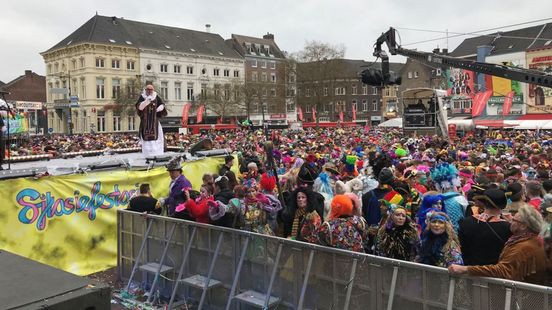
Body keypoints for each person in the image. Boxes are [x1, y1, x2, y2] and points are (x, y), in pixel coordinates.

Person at [449, 206, 547, 285]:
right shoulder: (532, 239)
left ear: (523, 226)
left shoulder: (523, 247)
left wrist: (466, 269)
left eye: (514, 220)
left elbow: (502, 271)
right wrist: (514, 222)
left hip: (522, 297)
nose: (510, 221)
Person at [458, 189, 512, 266]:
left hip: (470, 269)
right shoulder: (508, 227)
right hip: (495, 271)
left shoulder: (466, 222)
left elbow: (462, 247)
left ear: (484, 203)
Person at [136, 84, 167, 157]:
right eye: (148, 89)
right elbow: (139, 108)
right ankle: (148, 154)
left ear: (153, 90)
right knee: (146, 139)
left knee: (158, 136)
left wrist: (159, 108)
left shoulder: (156, 96)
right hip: (145, 122)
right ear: (145, 90)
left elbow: (162, 104)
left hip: (154, 122)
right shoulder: (142, 97)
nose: (149, 91)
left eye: (151, 90)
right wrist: (146, 101)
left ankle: (158, 153)